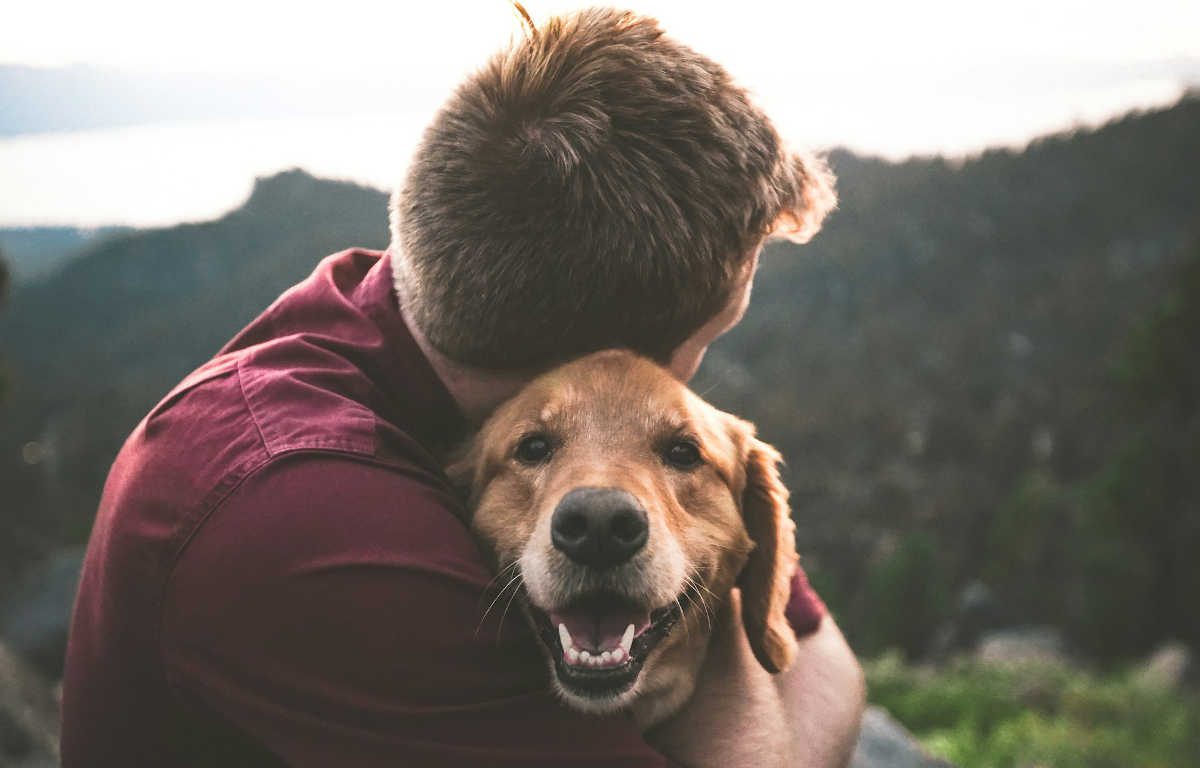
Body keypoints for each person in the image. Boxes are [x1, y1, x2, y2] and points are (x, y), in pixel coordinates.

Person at [61, 8, 864, 767]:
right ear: (605, 359)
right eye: (707, 340)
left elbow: (825, 660)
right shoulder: (310, 525)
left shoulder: (419, 311)